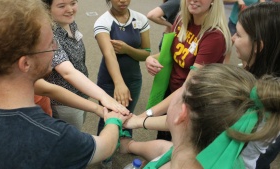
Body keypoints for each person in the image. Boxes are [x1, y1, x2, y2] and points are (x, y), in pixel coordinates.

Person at [0, 0, 130, 168]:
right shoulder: (54, 135)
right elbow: (105, 147)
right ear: (25, 64)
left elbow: (51, 89)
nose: (56, 48)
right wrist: (113, 121)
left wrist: (98, 106)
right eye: (51, 44)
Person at [120, 63, 280, 169]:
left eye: (183, 88)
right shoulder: (207, 153)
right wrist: (130, 144)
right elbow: (165, 149)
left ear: (182, 113)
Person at [144, 0, 232, 141]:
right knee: (162, 138)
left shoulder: (214, 36)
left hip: (189, 100)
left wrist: (147, 114)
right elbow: (172, 53)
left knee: (177, 146)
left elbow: (189, 86)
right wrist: (151, 58)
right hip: (171, 91)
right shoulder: (181, 20)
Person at [42, 0, 129, 131]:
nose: (70, 9)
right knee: (71, 136)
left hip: (81, 90)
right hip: (65, 100)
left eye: (73, 3)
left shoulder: (69, 23)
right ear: (48, 9)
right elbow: (68, 72)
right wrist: (103, 96)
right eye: (61, 6)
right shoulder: (49, 35)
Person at [231, 2, 280, 168]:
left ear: (258, 46)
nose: (232, 38)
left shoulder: (266, 98)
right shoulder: (256, 70)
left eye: (238, 35)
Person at [93, 0, 150, 138]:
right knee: (108, 117)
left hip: (134, 78)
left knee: (128, 115)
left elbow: (146, 53)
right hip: (109, 80)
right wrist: (119, 83)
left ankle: (125, 144)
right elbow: (109, 54)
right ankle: (105, 154)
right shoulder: (103, 21)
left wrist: (127, 49)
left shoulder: (141, 19)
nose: (123, 0)